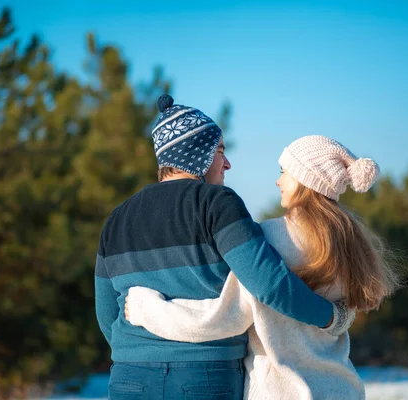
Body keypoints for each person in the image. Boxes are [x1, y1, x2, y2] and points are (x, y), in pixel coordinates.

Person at [95, 96, 353, 400]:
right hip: (203, 375)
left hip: (129, 376)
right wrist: (331, 317)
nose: (227, 163)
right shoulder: (217, 204)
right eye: (219, 151)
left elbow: (106, 312)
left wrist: (138, 350)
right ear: (197, 154)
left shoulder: (117, 218)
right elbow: (268, 284)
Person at [125, 135, 404, 399]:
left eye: (284, 172)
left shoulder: (268, 239)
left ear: (305, 179)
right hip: (344, 388)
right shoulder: (350, 242)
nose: (277, 181)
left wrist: (147, 310)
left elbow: (225, 317)